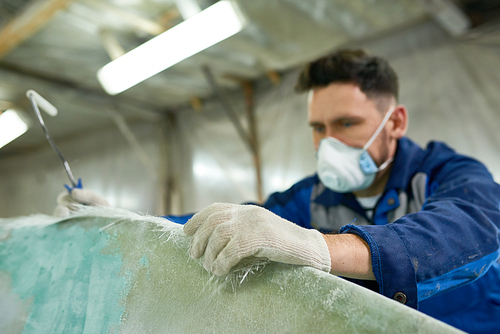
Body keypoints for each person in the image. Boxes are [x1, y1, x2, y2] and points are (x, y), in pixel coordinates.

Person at [56, 50, 500, 333]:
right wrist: (123, 217)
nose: (329, 144)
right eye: (318, 129)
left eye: (346, 124)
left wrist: (316, 245)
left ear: (396, 123)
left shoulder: (447, 174)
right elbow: (219, 227)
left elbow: (469, 231)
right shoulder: (312, 197)